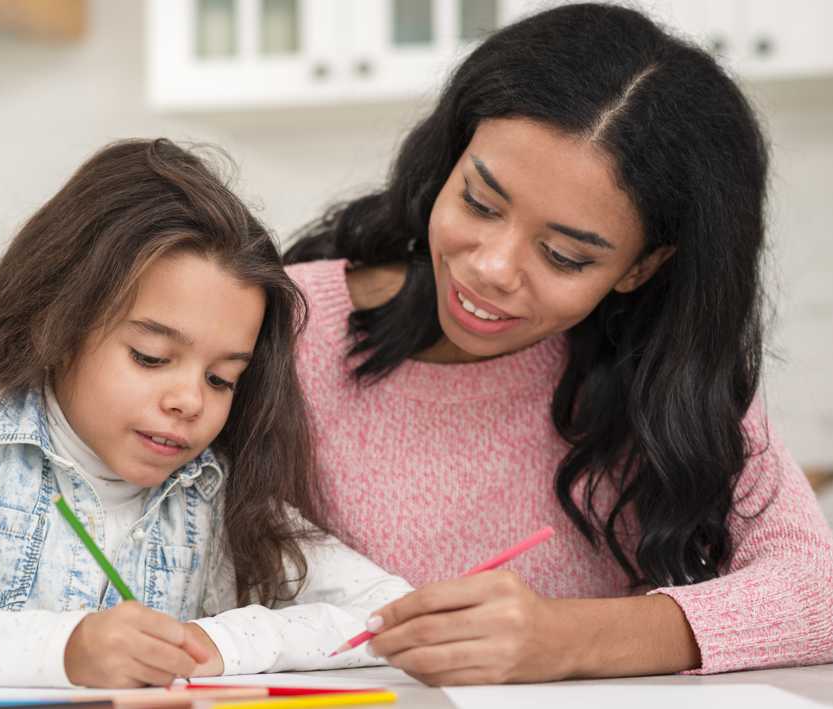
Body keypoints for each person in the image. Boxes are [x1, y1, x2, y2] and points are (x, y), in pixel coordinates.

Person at [284, 2, 833, 685]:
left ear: (640, 267)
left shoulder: (660, 369)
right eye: (479, 204)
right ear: (451, 155)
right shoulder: (287, 325)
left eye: (563, 254)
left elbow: (818, 593)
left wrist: (566, 638)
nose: (492, 266)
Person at [0, 139, 412, 687]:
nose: (190, 401)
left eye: (222, 378)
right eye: (150, 356)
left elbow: (390, 612)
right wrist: (62, 651)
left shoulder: (213, 484)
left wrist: (220, 644)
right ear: (59, 324)